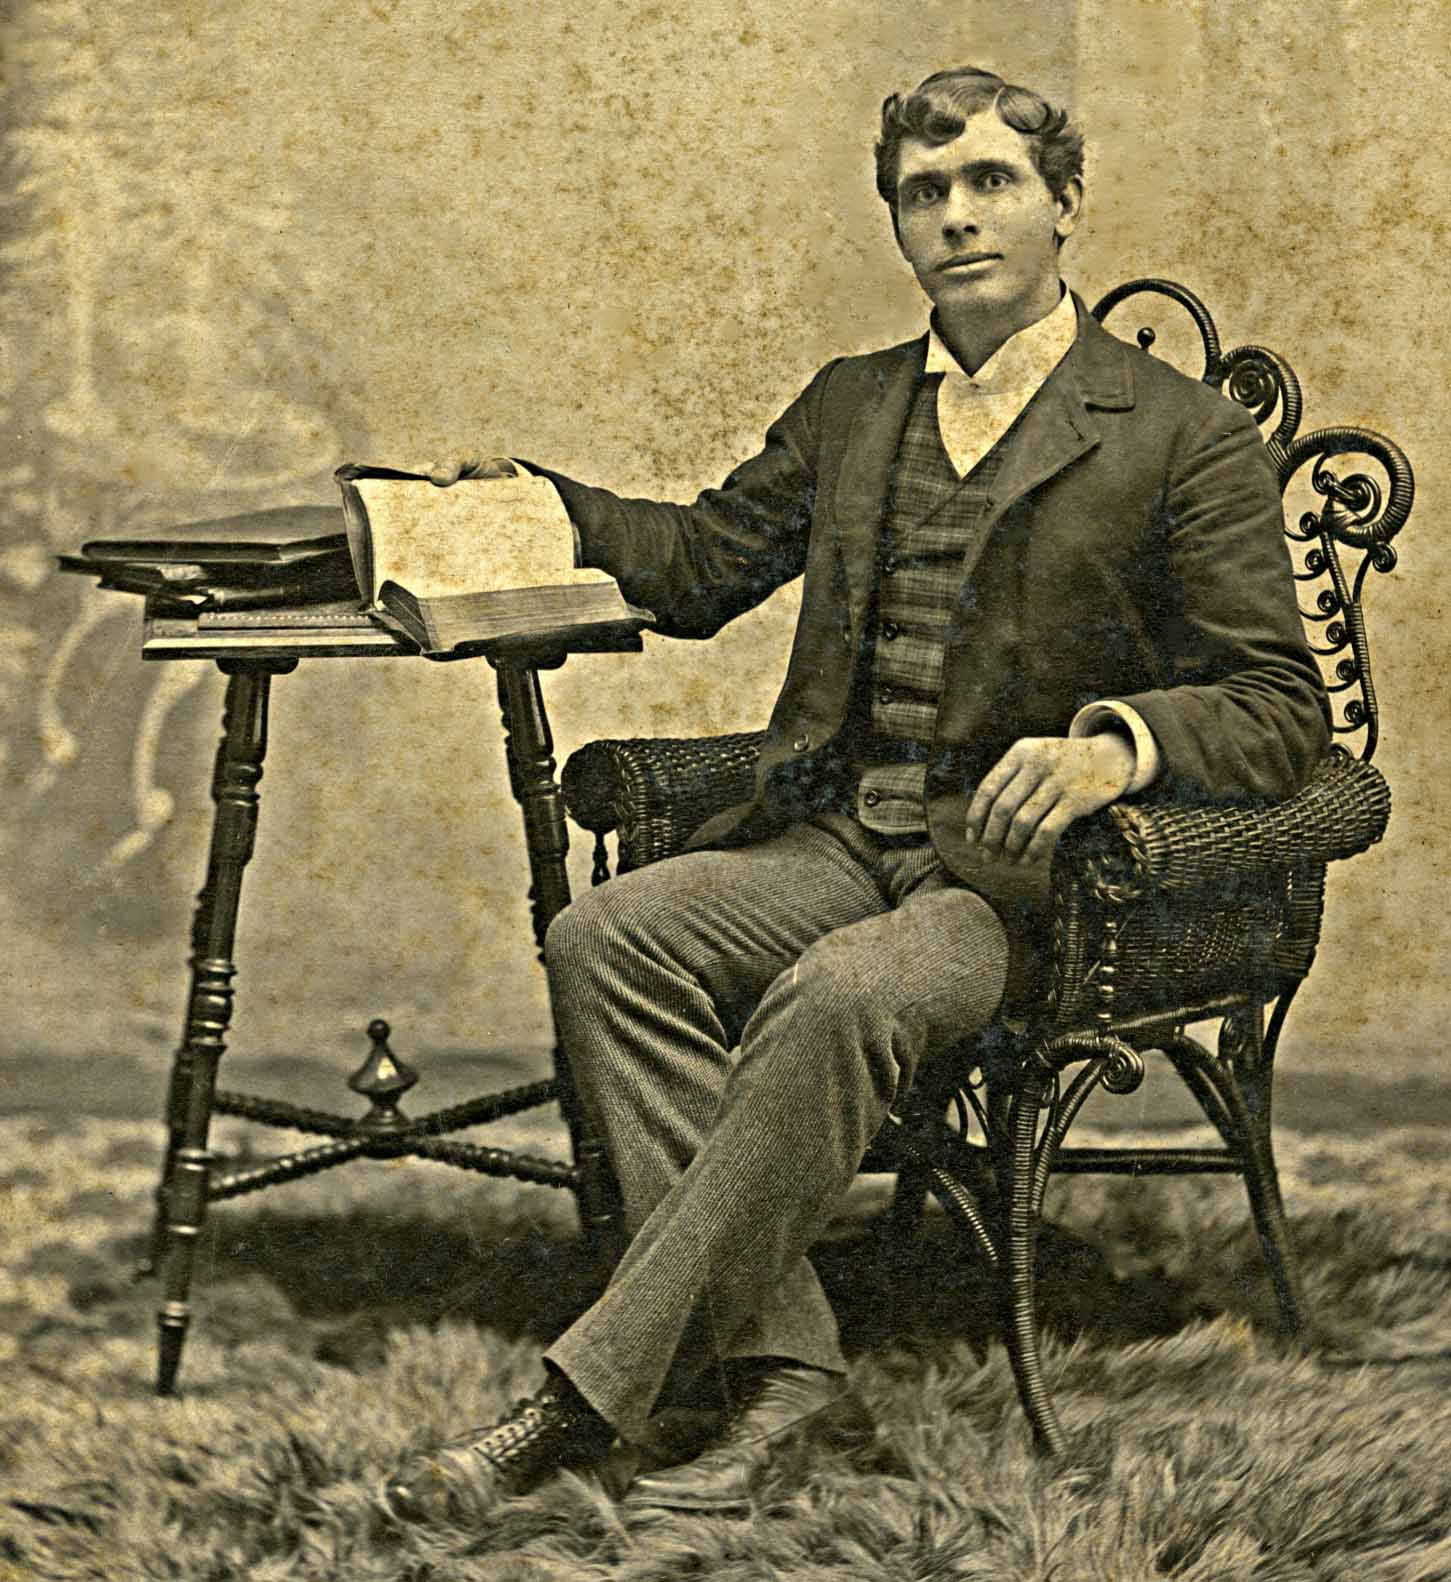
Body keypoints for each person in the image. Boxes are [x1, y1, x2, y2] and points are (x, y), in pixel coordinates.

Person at [380, 65, 1329, 1523]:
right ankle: (786, 1366)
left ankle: (576, 1401)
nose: (958, 217)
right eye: (923, 192)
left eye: (993, 182)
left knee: (840, 994)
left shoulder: (1178, 432)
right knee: (605, 939)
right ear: (896, 221)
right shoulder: (855, 403)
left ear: (1066, 205)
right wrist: (549, 500)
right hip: (833, 838)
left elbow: (1279, 706)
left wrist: (1113, 748)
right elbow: (703, 565)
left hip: (1018, 888)